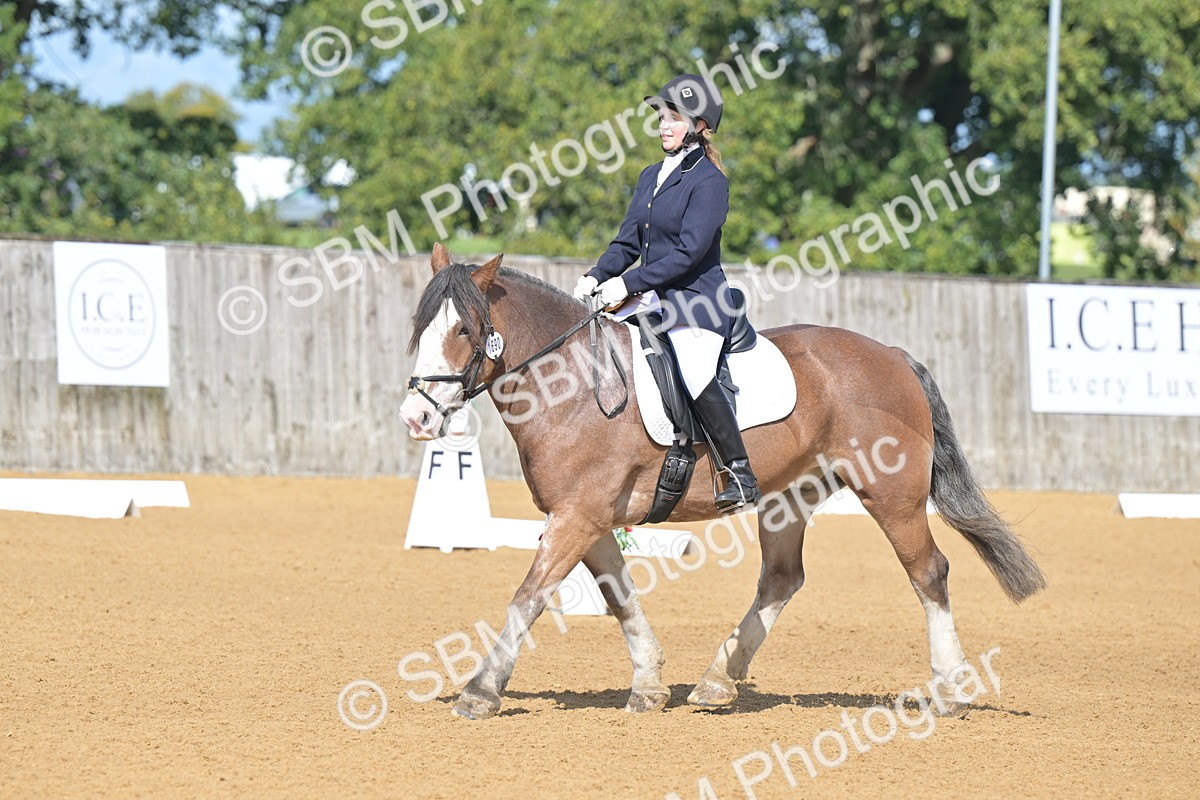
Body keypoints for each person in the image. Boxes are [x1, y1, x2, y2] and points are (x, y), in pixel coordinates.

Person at [572, 74, 760, 511]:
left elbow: (689, 252)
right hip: (651, 300)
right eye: (661, 115)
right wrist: (598, 274)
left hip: (697, 303)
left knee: (694, 371)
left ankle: (739, 472)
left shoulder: (710, 182)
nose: (663, 124)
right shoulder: (650, 176)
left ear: (699, 126)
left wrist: (629, 282)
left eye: (673, 117)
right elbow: (627, 242)